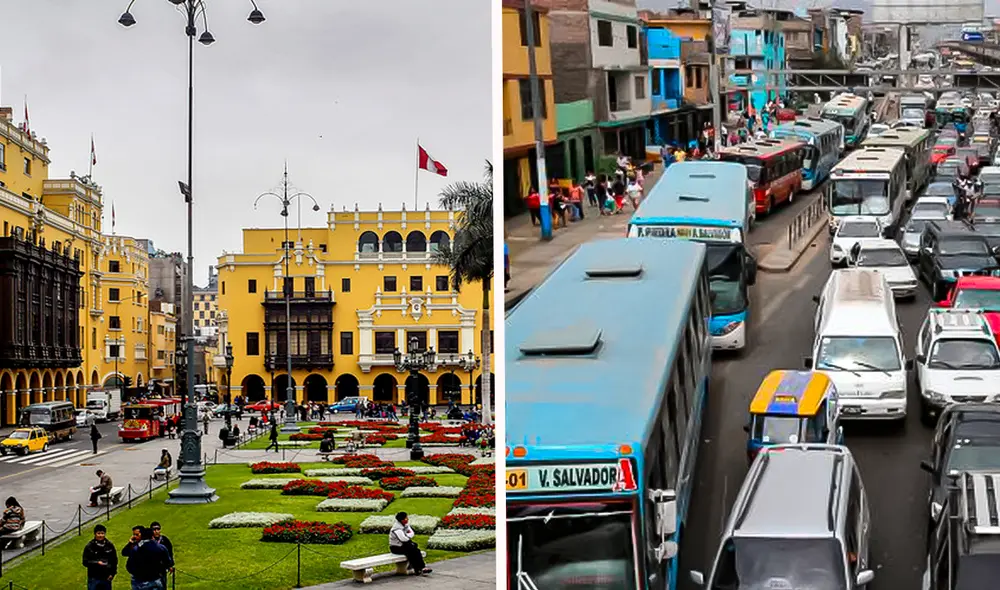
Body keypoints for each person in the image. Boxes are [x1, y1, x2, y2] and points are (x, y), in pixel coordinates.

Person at [122, 525, 169, 590]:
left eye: (137, 534)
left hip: (139, 581)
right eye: (134, 535)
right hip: (155, 579)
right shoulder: (160, 547)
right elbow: (167, 562)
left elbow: (129, 566)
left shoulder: (135, 549)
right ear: (152, 536)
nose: (135, 536)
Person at [83, 524, 118, 590]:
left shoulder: (109, 545)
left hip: (106, 577)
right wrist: (97, 563)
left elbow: (114, 560)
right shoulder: (90, 546)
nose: (100, 535)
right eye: (98, 533)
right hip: (94, 577)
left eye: (102, 533)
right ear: (95, 534)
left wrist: (112, 573)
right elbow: (85, 562)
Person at [150, 522, 174, 589]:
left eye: (158, 529)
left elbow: (170, 553)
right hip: (151, 568)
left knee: (163, 585)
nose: (156, 531)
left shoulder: (164, 540)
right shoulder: (149, 541)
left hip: (162, 567)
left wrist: (170, 565)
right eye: (154, 530)